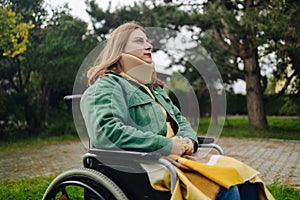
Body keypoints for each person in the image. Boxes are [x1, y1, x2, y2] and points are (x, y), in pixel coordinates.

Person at [80, 22, 274, 200]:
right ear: (119, 49)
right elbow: (107, 133)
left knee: (245, 180)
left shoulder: (153, 88)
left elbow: (180, 121)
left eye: (148, 41)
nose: (149, 46)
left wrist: (189, 141)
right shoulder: (106, 86)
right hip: (145, 164)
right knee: (225, 190)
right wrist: (164, 145)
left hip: (179, 158)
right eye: (139, 41)